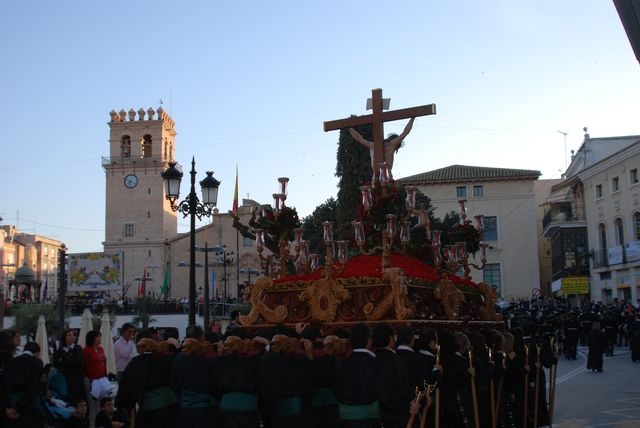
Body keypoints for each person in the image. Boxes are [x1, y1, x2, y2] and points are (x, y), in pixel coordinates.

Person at [116, 339, 175, 428]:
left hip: (150, 410)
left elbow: (125, 389)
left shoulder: (136, 363)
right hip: (171, 407)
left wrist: (126, 403)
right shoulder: (167, 359)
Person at [258, 334, 312, 428]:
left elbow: (263, 385)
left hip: (274, 407)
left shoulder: (266, 361)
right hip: (298, 407)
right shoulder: (302, 360)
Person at [371, 323, 415, 428]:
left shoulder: (372, 360)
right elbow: (403, 389)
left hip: (376, 415)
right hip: (397, 415)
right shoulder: (397, 361)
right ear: (391, 338)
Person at [171, 335, 217, 428]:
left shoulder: (178, 359)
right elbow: (214, 383)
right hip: (204, 407)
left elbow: (173, 383)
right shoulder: (207, 360)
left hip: (185, 407)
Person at [348, 117, 415, 181]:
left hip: (376, 178)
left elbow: (360, 139)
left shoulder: (372, 145)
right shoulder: (392, 145)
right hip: (386, 178)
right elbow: (405, 133)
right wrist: (412, 119)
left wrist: (349, 128)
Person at [215, 336, 260, 428]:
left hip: (227, 407)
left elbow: (216, 386)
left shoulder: (221, 362)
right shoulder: (253, 361)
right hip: (248, 407)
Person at [3, 341, 45, 427]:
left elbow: (5, 384)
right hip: (29, 404)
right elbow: (34, 386)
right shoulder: (37, 362)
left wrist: (10, 406)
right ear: (37, 352)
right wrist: (19, 406)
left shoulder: (11, 362)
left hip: (11, 402)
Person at [52, 329, 86, 404]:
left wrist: (64, 360)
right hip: (64, 380)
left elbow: (77, 363)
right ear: (64, 337)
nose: (72, 337)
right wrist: (69, 359)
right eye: (69, 335)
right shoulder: (60, 350)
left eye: (73, 335)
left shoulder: (77, 348)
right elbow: (56, 364)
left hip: (76, 381)